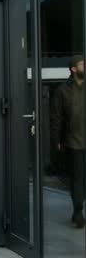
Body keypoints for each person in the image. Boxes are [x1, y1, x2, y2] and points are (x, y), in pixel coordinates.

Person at [51, 55, 85, 228]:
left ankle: (77, 208)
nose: (84, 66)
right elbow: (57, 117)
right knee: (78, 178)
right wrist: (56, 139)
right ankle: (78, 211)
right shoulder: (62, 90)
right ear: (73, 69)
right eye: (81, 64)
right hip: (73, 141)